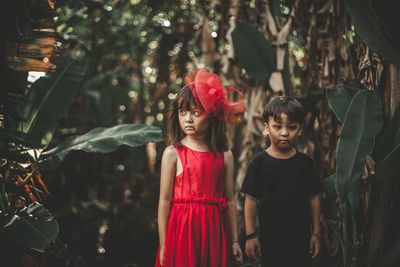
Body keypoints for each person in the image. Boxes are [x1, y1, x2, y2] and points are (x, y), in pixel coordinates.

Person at [155, 69, 244, 267]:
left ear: (212, 116)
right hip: (182, 231)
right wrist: (164, 245)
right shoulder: (172, 153)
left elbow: (230, 200)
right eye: (182, 112)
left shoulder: (225, 156)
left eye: (196, 112)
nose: (188, 119)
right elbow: (164, 201)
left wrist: (235, 240)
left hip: (215, 231)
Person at [241, 96, 322, 267]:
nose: (284, 132)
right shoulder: (259, 163)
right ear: (266, 128)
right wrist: (251, 236)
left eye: (291, 127)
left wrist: (316, 234)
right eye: (277, 127)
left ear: (299, 129)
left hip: (301, 240)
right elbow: (250, 199)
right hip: (270, 241)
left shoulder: (305, 163)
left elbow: (314, 198)